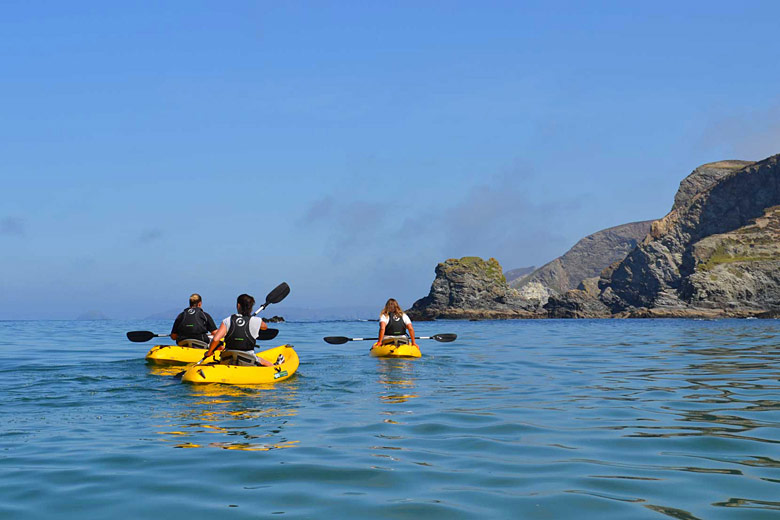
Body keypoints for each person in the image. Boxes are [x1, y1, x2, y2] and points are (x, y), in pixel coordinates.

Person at [203, 294, 282, 367]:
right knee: (263, 361)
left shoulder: (227, 320)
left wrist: (209, 353)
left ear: (238, 305)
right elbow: (265, 327)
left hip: (227, 357)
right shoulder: (256, 320)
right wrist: (251, 319)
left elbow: (216, 339)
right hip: (247, 359)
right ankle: (275, 367)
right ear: (251, 307)